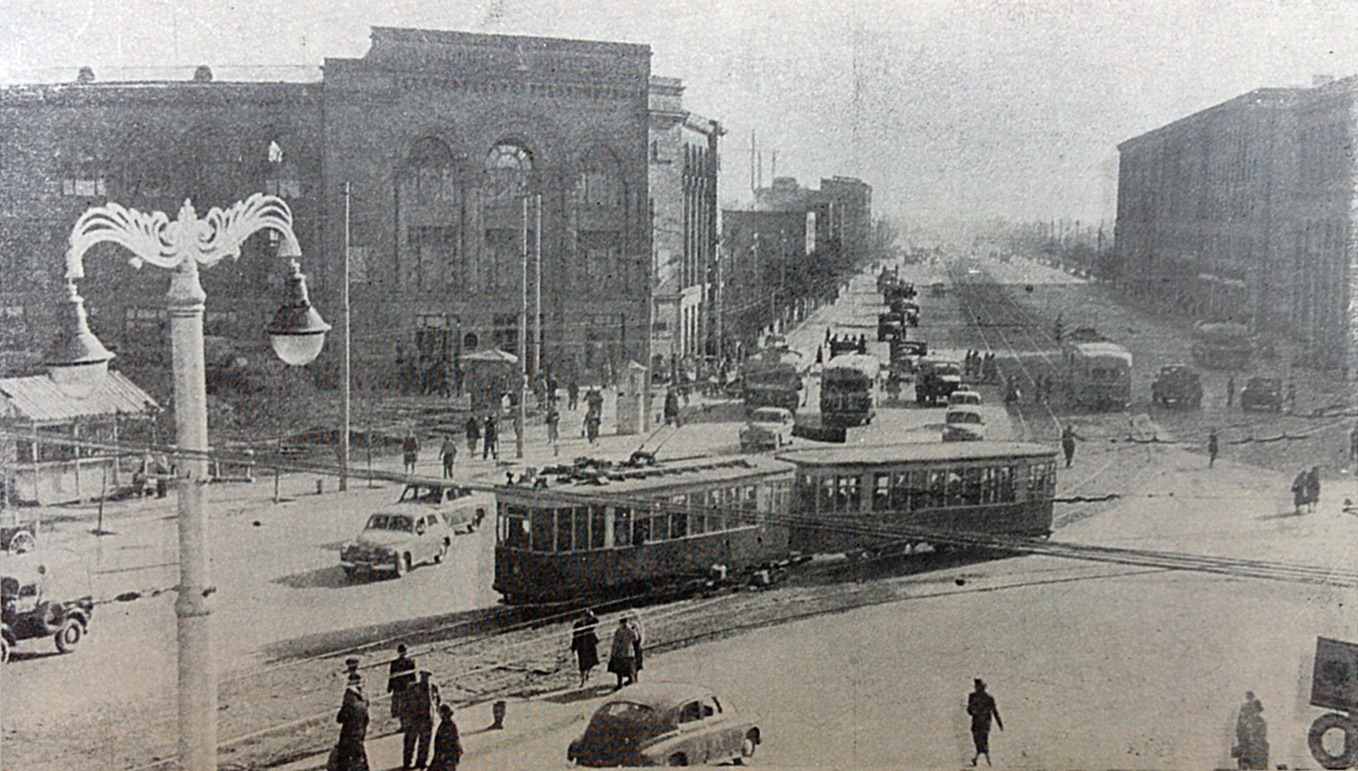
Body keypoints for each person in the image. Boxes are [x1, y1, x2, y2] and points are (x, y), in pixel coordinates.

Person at [332, 666, 370, 771]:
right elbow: (366, 718)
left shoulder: (350, 701)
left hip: (349, 732)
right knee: (360, 753)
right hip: (360, 730)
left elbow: (340, 718)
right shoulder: (364, 698)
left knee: (344, 757)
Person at [400, 671, 438, 770]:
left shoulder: (433, 688)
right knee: (410, 741)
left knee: (425, 742)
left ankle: (422, 762)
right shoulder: (413, 688)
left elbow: (437, 701)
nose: (425, 680)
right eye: (423, 677)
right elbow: (405, 703)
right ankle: (407, 762)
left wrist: (434, 715)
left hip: (427, 719)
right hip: (415, 719)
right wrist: (406, 718)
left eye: (427, 678)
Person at [967, 678, 1003, 767]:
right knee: (977, 739)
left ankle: (985, 759)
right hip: (976, 722)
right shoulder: (972, 696)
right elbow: (969, 710)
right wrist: (974, 710)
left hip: (984, 722)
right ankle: (982, 758)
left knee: (983, 739)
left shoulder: (988, 698)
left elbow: (994, 711)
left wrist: (999, 723)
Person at [1234, 693, 1268, 770]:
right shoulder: (1244, 721)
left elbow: (1262, 735)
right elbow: (1239, 731)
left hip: (1257, 750)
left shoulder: (1260, 721)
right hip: (1247, 748)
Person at [427, 703, 463, 771]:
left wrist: (446, 755)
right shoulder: (444, 724)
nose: (440, 715)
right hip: (441, 755)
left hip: (448, 755)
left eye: (442, 713)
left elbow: (452, 741)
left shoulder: (449, 725)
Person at [607, 615, 639, 690]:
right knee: (626, 667)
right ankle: (627, 680)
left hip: (623, 652)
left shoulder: (620, 630)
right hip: (626, 652)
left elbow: (615, 642)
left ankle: (624, 682)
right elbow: (635, 638)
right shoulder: (628, 630)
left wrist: (614, 652)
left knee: (622, 668)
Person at [571, 609, 601, 688]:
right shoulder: (577, 625)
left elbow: (597, 621)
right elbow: (575, 635)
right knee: (582, 664)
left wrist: (592, 615)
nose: (584, 617)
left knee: (591, 662)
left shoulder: (590, 622)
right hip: (581, 646)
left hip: (590, 645)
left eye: (586, 616)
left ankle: (587, 673)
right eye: (583, 616)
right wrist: (573, 646)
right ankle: (582, 679)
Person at [388, 645, 417, 720]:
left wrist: (389, 687)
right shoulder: (410, 661)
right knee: (406, 705)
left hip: (399, 687)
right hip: (406, 687)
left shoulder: (394, 663)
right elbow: (413, 676)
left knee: (400, 706)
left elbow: (391, 677)